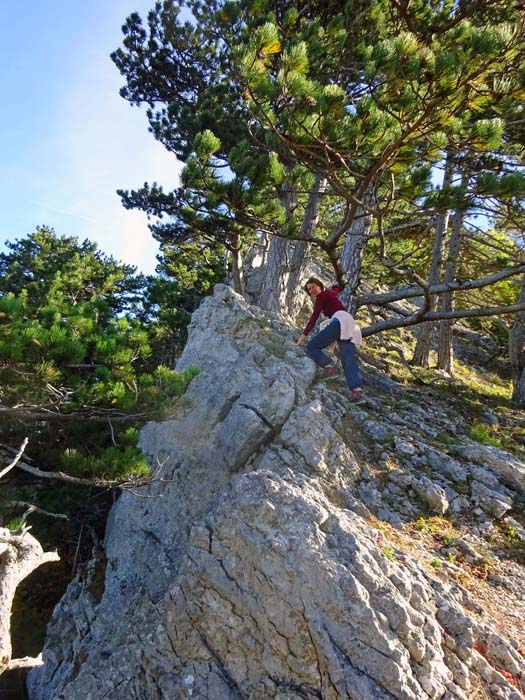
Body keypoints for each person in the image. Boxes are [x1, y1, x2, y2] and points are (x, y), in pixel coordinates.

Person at [296, 277, 365, 404]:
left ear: (319, 285)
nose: (311, 291)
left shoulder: (321, 296)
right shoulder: (329, 294)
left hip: (339, 323)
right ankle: (357, 392)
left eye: (312, 287)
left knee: (312, 346)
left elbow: (314, 317)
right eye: (308, 289)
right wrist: (336, 287)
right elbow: (335, 291)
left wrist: (302, 338)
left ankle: (330, 368)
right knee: (348, 358)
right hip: (349, 324)